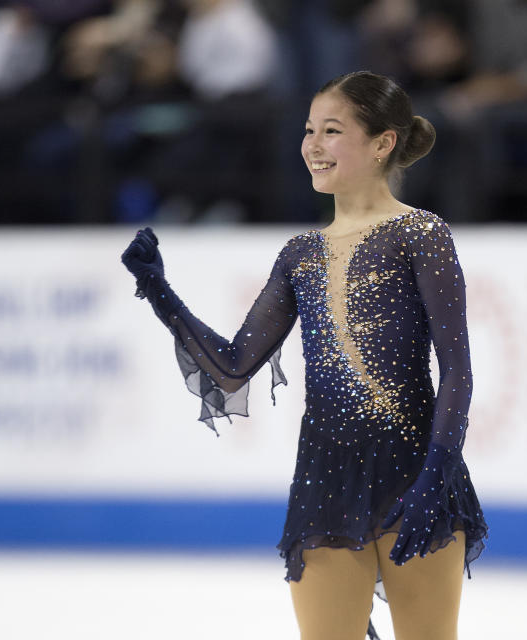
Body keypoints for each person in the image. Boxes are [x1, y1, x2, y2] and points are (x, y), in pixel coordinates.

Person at [121, 70, 487, 640]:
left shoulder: (420, 235)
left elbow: (457, 370)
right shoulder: (300, 255)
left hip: (415, 470)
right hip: (326, 480)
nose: (312, 146)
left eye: (332, 131)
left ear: (383, 142)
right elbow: (233, 366)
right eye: (309, 130)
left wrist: (436, 475)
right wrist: (159, 291)